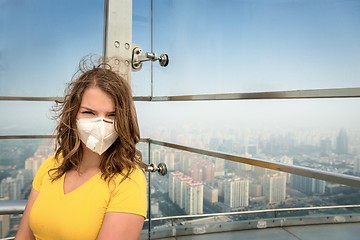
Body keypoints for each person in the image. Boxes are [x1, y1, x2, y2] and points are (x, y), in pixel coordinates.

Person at [15, 56, 147, 240]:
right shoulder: (52, 165)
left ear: (123, 121)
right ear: (73, 115)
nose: (101, 123)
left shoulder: (129, 180)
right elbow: (23, 236)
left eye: (112, 115)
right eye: (89, 112)